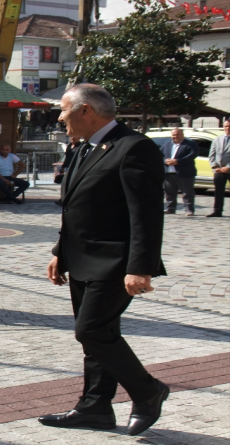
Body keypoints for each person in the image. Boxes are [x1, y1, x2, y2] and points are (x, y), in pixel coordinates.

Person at [42, 84, 169, 436]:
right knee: (97, 336)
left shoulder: (134, 148)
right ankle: (95, 408)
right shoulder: (86, 148)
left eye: (64, 111)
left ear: (86, 111)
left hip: (116, 261)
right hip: (82, 258)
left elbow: (144, 213)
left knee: (91, 330)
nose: (60, 118)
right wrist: (59, 253)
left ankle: (148, 392)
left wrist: (140, 267)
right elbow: (76, 208)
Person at [160, 128, 197, 216]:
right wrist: (165, 161)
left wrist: (178, 161)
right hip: (169, 173)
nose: (175, 136)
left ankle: (189, 210)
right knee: (169, 192)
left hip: (184, 173)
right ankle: (170, 208)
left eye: (178, 134)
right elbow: (159, 155)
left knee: (187, 193)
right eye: (174, 135)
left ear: (182, 135)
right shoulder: (166, 145)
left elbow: (192, 155)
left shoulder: (190, 144)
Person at [206, 119, 230, 217]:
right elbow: (212, 155)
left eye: (229, 126)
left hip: (229, 170)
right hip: (218, 170)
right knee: (218, 191)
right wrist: (215, 166)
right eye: (226, 126)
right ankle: (217, 211)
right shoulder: (217, 139)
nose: (227, 128)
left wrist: (228, 167)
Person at [54, 136, 82, 206]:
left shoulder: (81, 147)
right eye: (71, 137)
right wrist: (62, 168)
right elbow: (66, 158)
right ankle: (63, 199)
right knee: (64, 184)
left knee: (71, 184)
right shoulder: (69, 146)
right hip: (67, 167)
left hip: (75, 168)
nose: (73, 138)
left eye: (74, 136)